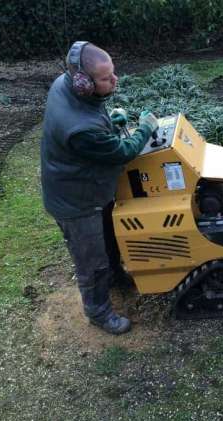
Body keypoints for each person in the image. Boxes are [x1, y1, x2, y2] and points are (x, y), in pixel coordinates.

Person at [40, 41, 158, 335]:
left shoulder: (65, 85)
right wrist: (145, 127)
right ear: (83, 82)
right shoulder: (80, 128)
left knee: (110, 238)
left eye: (113, 73)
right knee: (91, 261)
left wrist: (112, 123)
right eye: (107, 78)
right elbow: (122, 152)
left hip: (89, 186)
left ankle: (116, 277)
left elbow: (94, 119)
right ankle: (99, 312)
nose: (115, 80)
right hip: (77, 202)